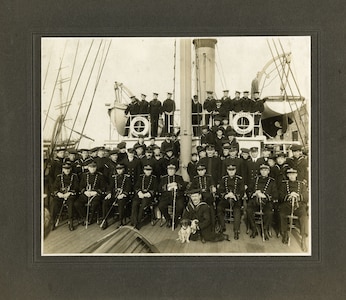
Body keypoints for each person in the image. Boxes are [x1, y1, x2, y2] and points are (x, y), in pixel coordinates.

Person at [279, 168, 309, 251]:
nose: (292, 176)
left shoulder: (301, 184)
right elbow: (280, 196)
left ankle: (303, 239)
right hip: (287, 205)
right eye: (290, 174)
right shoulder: (284, 184)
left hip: (298, 205)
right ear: (288, 175)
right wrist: (289, 196)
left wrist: (297, 196)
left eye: (293, 174)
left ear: (296, 175)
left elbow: (306, 197)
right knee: (282, 213)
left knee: (304, 216)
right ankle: (285, 233)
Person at [246, 164, 278, 239]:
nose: (264, 172)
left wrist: (265, 195)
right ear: (260, 171)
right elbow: (248, 190)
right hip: (255, 201)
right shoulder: (255, 179)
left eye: (266, 170)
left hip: (266, 202)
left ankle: (265, 229)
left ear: (268, 171)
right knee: (248, 210)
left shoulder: (272, 181)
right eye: (262, 170)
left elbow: (275, 195)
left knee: (269, 213)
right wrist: (254, 193)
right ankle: (254, 229)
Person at [217, 164, 245, 239]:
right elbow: (220, 190)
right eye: (229, 170)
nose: (231, 172)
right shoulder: (224, 179)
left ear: (235, 170)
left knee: (237, 211)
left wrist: (235, 196)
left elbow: (242, 191)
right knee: (219, 208)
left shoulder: (240, 179)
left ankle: (236, 230)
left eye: (233, 170)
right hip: (226, 199)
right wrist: (225, 195)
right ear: (227, 171)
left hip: (236, 199)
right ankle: (222, 226)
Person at [75, 161, 106, 225]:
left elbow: (103, 187)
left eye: (94, 167)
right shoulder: (84, 175)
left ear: (96, 168)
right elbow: (80, 186)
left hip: (95, 194)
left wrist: (95, 192)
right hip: (86, 193)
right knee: (77, 204)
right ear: (88, 168)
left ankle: (91, 219)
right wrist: (85, 192)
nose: (92, 169)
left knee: (94, 204)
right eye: (91, 167)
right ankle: (85, 218)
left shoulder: (100, 176)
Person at [51, 162, 79, 231]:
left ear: (71, 169)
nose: (67, 170)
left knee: (71, 204)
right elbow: (54, 187)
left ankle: (70, 222)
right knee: (54, 203)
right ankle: (53, 222)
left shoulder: (74, 176)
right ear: (62, 169)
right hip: (61, 195)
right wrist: (58, 193)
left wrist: (69, 193)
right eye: (65, 169)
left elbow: (76, 187)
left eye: (68, 169)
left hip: (70, 195)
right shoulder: (59, 177)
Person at [103, 163, 132, 229]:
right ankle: (105, 220)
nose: (119, 171)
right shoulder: (114, 177)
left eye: (120, 169)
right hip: (114, 195)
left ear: (123, 169)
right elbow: (110, 186)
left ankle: (120, 221)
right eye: (117, 169)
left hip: (123, 196)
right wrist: (109, 193)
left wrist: (123, 194)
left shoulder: (127, 177)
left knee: (121, 202)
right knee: (105, 201)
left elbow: (128, 187)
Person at [158, 164, 186, 229]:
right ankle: (168, 219)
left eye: (172, 170)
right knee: (161, 206)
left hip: (177, 197)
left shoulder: (179, 177)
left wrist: (177, 185)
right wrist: (167, 186)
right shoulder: (164, 178)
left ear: (175, 171)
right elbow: (159, 188)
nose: (170, 171)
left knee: (180, 206)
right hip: (166, 197)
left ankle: (175, 220)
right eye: (169, 170)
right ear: (167, 170)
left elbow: (183, 187)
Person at [131, 165, 158, 230]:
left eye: (149, 170)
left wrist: (147, 194)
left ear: (151, 171)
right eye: (146, 170)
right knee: (135, 204)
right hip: (140, 194)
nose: (148, 172)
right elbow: (136, 187)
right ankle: (134, 221)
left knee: (143, 205)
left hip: (148, 196)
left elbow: (155, 188)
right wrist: (139, 192)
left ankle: (138, 222)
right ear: (144, 171)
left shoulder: (154, 178)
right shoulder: (140, 177)